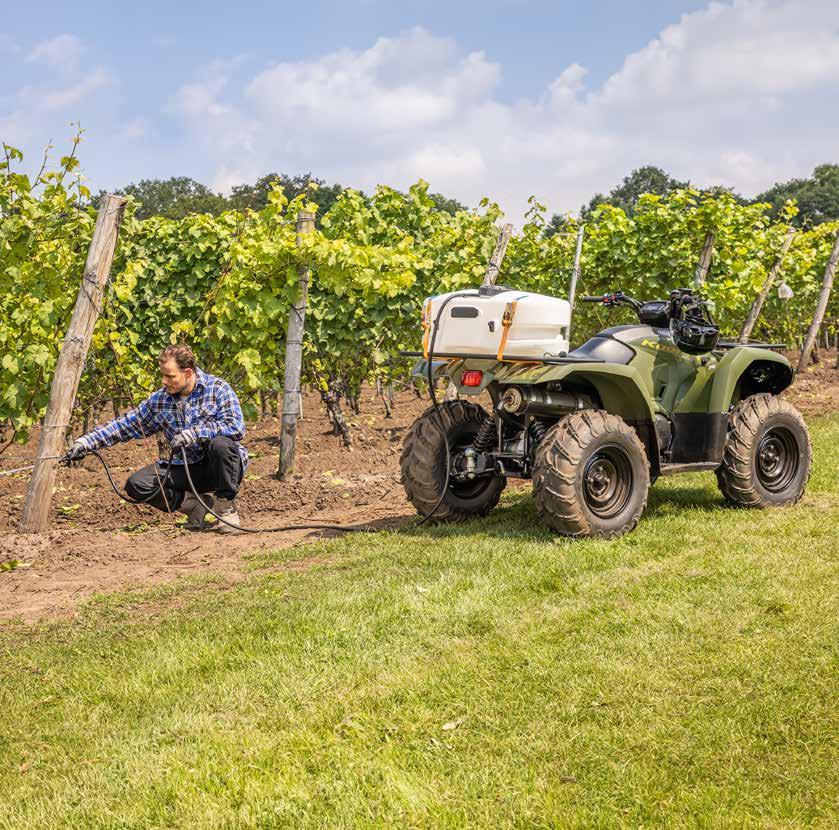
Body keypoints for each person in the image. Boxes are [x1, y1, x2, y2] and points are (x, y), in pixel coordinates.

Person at [66, 344, 248, 533]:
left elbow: (236, 426)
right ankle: (195, 505)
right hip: (186, 466)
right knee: (137, 484)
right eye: (163, 375)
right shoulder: (160, 400)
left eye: (170, 376)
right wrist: (86, 442)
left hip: (221, 468)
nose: (164, 381)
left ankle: (226, 508)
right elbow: (124, 425)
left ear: (187, 373)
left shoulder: (217, 389)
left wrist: (195, 434)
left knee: (221, 444)